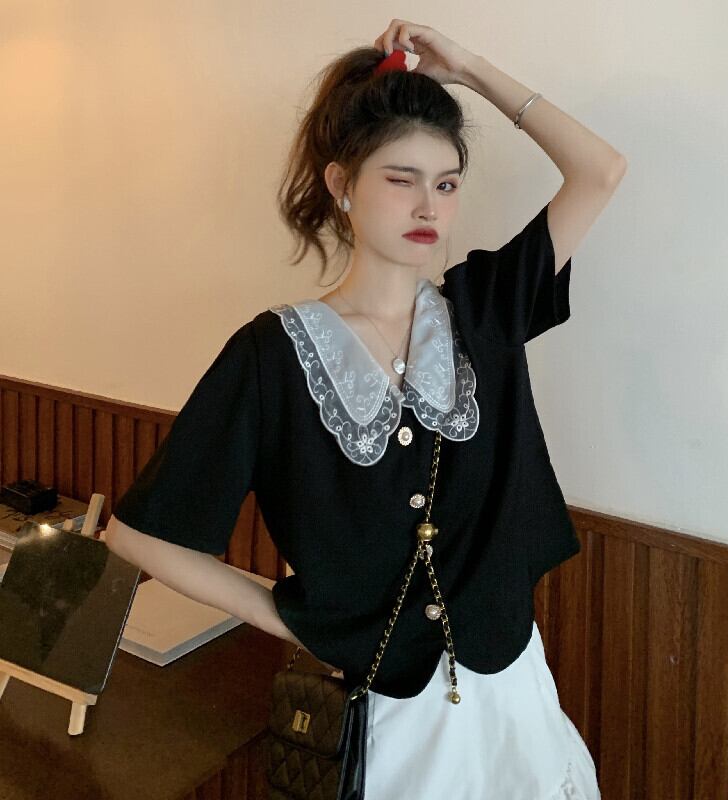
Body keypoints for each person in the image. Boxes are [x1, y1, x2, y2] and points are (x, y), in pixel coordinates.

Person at [106, 19, 626, 799]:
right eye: (401, 178)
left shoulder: (482, 310)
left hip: (512, 692)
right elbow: (138, 534)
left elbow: (601, 170)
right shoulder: (274, 355)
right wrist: (294, 619)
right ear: (341, 184)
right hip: (388, 718)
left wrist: (470, 70)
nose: (429, 206)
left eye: (446, 183)